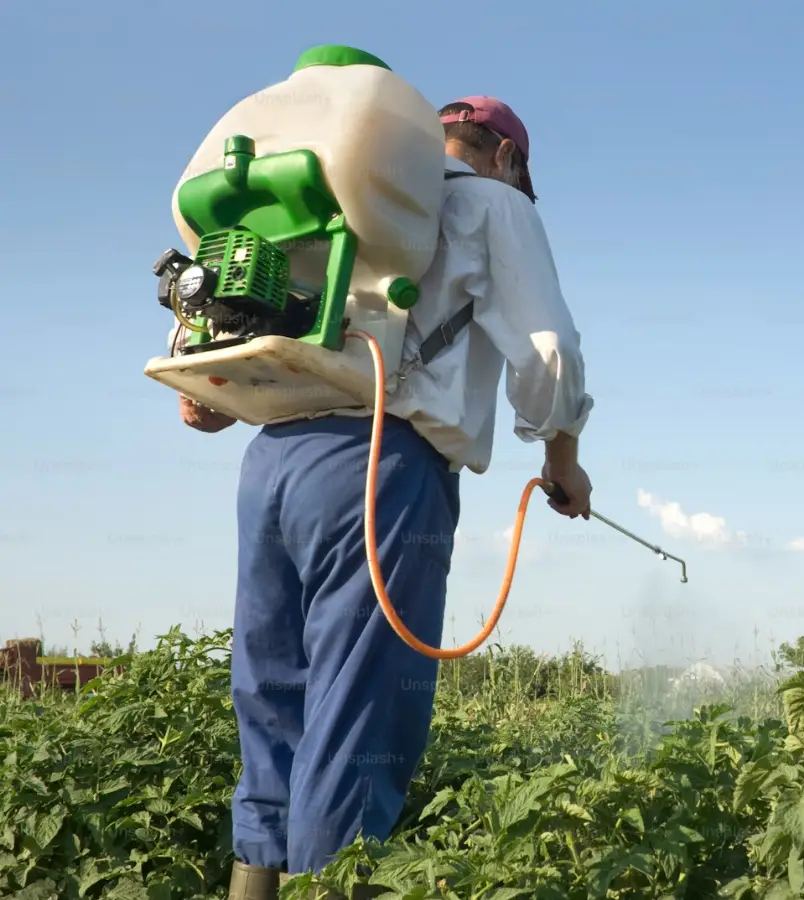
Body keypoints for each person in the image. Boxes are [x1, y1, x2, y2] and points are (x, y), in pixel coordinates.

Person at [178, 95, 594, 900]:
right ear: (507, 157)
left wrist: (211, 392)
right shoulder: (487, 201)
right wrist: (562, 456)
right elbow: (547, 350)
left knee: (274, 705)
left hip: (271, 463)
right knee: (355, 721)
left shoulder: (336, 193)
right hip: (380, 465)